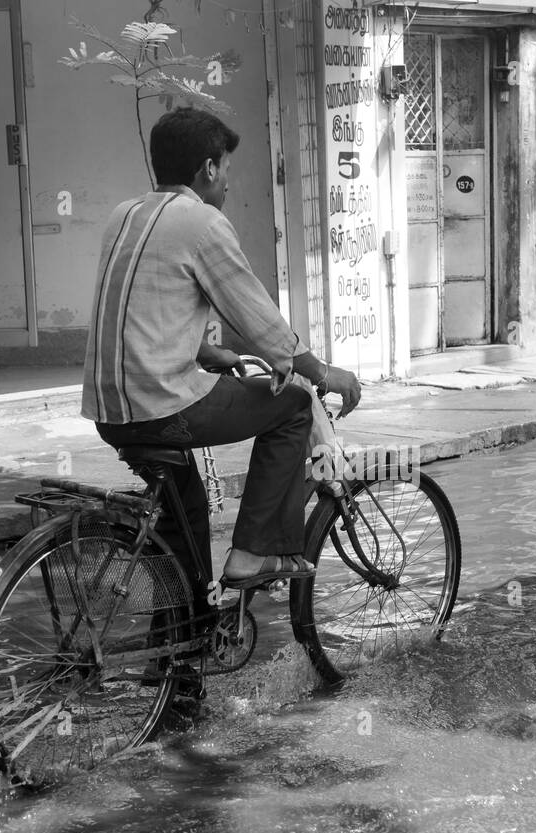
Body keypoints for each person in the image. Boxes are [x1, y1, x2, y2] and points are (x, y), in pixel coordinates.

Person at [82, 107, 361, 611]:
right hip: (163, 407)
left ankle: (179, 670)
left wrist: (207, 351)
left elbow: (142, 310)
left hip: (109, 411)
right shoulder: (203, 223)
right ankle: (254, 554)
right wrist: (320, 371)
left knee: (183, 527)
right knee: (295, 404)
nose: (228, 182)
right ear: (208, 169)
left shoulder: (122, 215)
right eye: (226, 169)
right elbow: (254, 312)